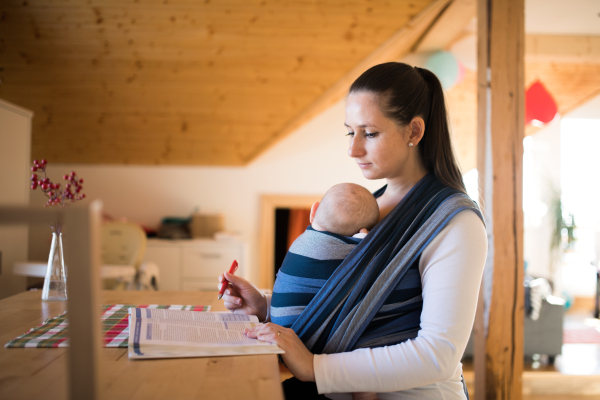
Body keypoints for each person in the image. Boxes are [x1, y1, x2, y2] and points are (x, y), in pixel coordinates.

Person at [218, 62, 487, 400]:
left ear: (414, 132)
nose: (353, 149)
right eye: (350, 132)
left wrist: (314, 368)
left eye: (370, 133)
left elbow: (438, 355)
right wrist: (265, 308)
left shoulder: (455, 223)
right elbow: (350, 305)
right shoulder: (369, 206)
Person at [271, 181, 379, 330]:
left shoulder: (301, 242)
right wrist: (362, 242)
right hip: (300, 333)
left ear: (313, 210)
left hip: (281, 323)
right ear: (362, 231)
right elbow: (369, 264)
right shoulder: (345, 251)